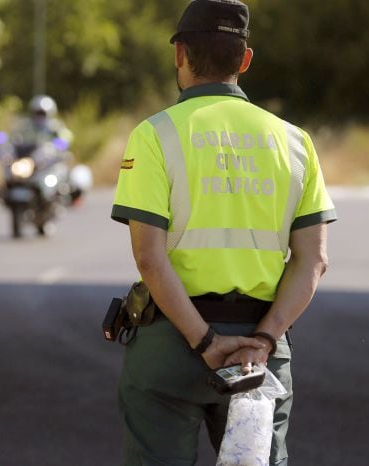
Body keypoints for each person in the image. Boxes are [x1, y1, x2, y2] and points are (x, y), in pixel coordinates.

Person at [110, 1, 337, 464]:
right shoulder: (295, 141)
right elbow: (313, 260)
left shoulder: (155, 135)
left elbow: (150, 258)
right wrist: (266, 340)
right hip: (260, 354)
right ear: (245, 59)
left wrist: (206, 342)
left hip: (171, 344)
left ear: (180, 55)